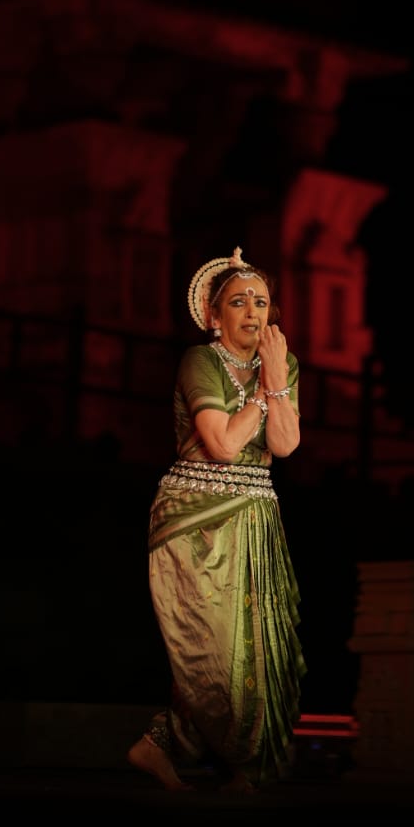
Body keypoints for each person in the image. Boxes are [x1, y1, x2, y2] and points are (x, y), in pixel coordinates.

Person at [127, 246, 306, 793]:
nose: (253, 311)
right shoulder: (199, 361)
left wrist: (275, 376)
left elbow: (285, 444)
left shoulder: (283, 365)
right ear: (213, 314)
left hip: (254, 517)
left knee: (250, 649)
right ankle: (217, 754)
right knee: (213, 648)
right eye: (239, 301)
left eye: (262, 302)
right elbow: (224, 445)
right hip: (195, 520)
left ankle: (178, 749)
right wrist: (267, 387)